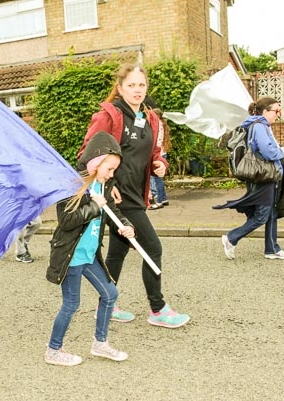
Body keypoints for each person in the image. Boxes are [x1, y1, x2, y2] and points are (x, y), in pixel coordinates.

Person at [78, 63, 190, 328]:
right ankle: (158, 308)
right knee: (152, 248)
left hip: (137, 194)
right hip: (118, 197)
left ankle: (107, 304)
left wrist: (159, 164)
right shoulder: (110, 116)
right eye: (131, 85)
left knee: (118, 252)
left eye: (141, 85)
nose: (137, 90)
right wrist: (106, 182)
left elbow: (150, 154)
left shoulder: (149, 118)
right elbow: (86, 155)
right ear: (120, 88)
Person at [45, 131, 134, 366]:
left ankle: (100, 344)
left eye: (114, 170)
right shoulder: (74, 186)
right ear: (96, 163)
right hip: (71, 256)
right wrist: (94, 206)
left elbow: (114, 212)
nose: (112, 175)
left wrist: (126, 226)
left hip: (89, 254)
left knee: (110, 294)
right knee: (71, 304)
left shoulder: (103, 187)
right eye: (109, 169)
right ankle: (53, 350)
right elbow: (67, 221)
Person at [214, 96, 284, 260]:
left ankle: (272, 249)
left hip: (266, 176)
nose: (278, 114)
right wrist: (282, 153)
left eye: (279, 110)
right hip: (263, 177)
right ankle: (231, 238)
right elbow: (267, 151)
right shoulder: (259, 127)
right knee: (262, 215)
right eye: (276, 110)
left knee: (271, 212)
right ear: (265, 111)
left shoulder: (261, 125)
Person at [148, 108, 171, 210]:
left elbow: (154, 141)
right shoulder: (163, 124)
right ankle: (164, 198)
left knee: (156, 179)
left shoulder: (157, 126)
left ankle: (159, 201)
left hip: (157, 154)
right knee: (159, 179)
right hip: (162, 153)